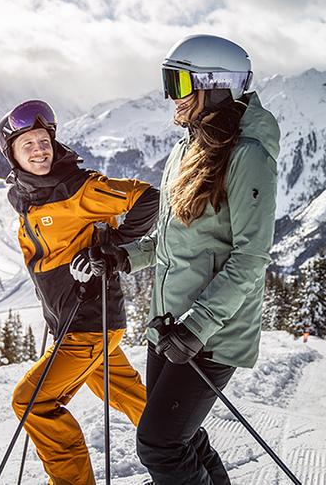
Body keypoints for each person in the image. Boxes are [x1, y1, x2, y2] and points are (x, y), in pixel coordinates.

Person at [114, 34, 281, 484]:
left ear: (216, 86)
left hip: (210, 333)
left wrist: (198, 325)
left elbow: (251, 257)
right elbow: (177, 241)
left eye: (179, 83)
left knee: (160, 444)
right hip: (170, 326)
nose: (171, 96)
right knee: (181, 439)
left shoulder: (248, 157)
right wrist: (123, 257)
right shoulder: (185, 150)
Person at [0, 99, 159, 485]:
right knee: (134, 398)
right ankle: (184, 456)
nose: (39, 149)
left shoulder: (79, 187)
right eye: (28, 145)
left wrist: (114, 246)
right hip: (75, 323)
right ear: (13, 156)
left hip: (88, 323)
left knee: (32, 402)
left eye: (43, 141)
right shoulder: (29, 197)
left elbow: (148, 198)